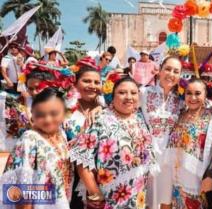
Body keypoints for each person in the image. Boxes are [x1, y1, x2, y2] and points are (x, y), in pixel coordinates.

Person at [69, 77, 157, 209]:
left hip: (137, 195)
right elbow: (82, 160)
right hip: (109, 197)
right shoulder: (100, 120)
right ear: (112, 96)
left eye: (133, 93)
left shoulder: (140, 117)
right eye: (122, 93)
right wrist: (95, 193)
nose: (129, 97)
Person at [0, 87, 74, 208]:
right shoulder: (29, 139)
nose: (48, 119)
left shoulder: (62, 134)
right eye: (40, 114)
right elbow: (22, 186)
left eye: (54, 113)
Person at [166, 78, 212, 209]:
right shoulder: (179, 115)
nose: (193, 97)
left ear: (205, 95)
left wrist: (211, 177)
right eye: (189, 93)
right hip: (176, 182)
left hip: (198, 184)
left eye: (198, 93)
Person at [140, 56, 183, 209]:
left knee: (166, 199)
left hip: (169, 159)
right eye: (168, 69)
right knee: (145, 200)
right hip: (146, 155)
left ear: (179, 77)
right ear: (159, 71)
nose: (171, 74)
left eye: (176, 71)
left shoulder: (180, 100)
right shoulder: (143, 93)